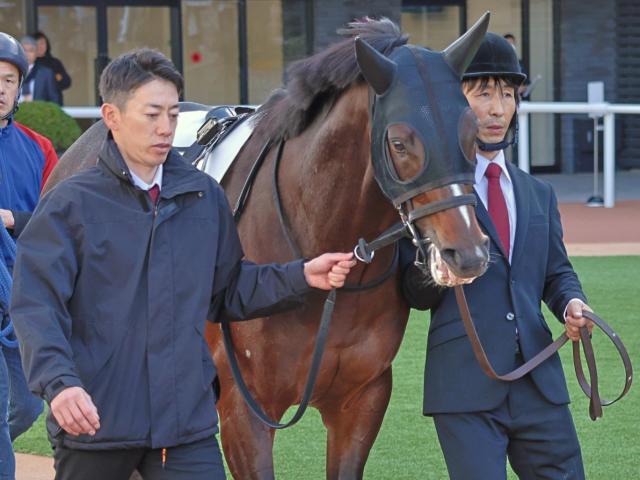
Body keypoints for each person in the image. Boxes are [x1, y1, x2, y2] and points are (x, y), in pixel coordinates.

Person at [10, 48, 356, 480]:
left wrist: (302, 275)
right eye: (152, 114)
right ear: (111, 117)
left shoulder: (203, 196)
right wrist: (60, 384)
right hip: (94, 424)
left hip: (185, 429)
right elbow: (36, 306)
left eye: (173, 114)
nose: (166, 128)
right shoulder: (69, 205)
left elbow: (228, 290)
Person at [400, 32, 592, 480]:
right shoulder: (431, 196)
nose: (496, 108)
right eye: (483, 93)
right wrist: (437, 273)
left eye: (507, 93)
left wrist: (571, 303)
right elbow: (410, 291)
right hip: (465, 387)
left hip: (539, 382)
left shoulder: (538, 193)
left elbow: (556, 273)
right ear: (457, 102)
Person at [0, 32, 58, 238]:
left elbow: (60, 218)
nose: (1, 89)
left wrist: (15, 220)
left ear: (18, 88)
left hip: (25, 266)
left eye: (9, 81)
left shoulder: (41, 147)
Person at [19, 35, 60, 105]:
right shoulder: (12, 72)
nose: (27, 54)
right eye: (24, 50)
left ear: (36, 53)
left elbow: (55, 101)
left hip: (38, 114)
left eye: (31, 51)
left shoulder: (46, 74)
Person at [33, 31, 71, 105]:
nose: (39, 46)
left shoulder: (54, 62)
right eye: (36, 44)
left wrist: (57, 78)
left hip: (54, 104)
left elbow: (67, 82)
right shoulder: (28, 63)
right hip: (34, 105)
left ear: (47, 45)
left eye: (42, 43)